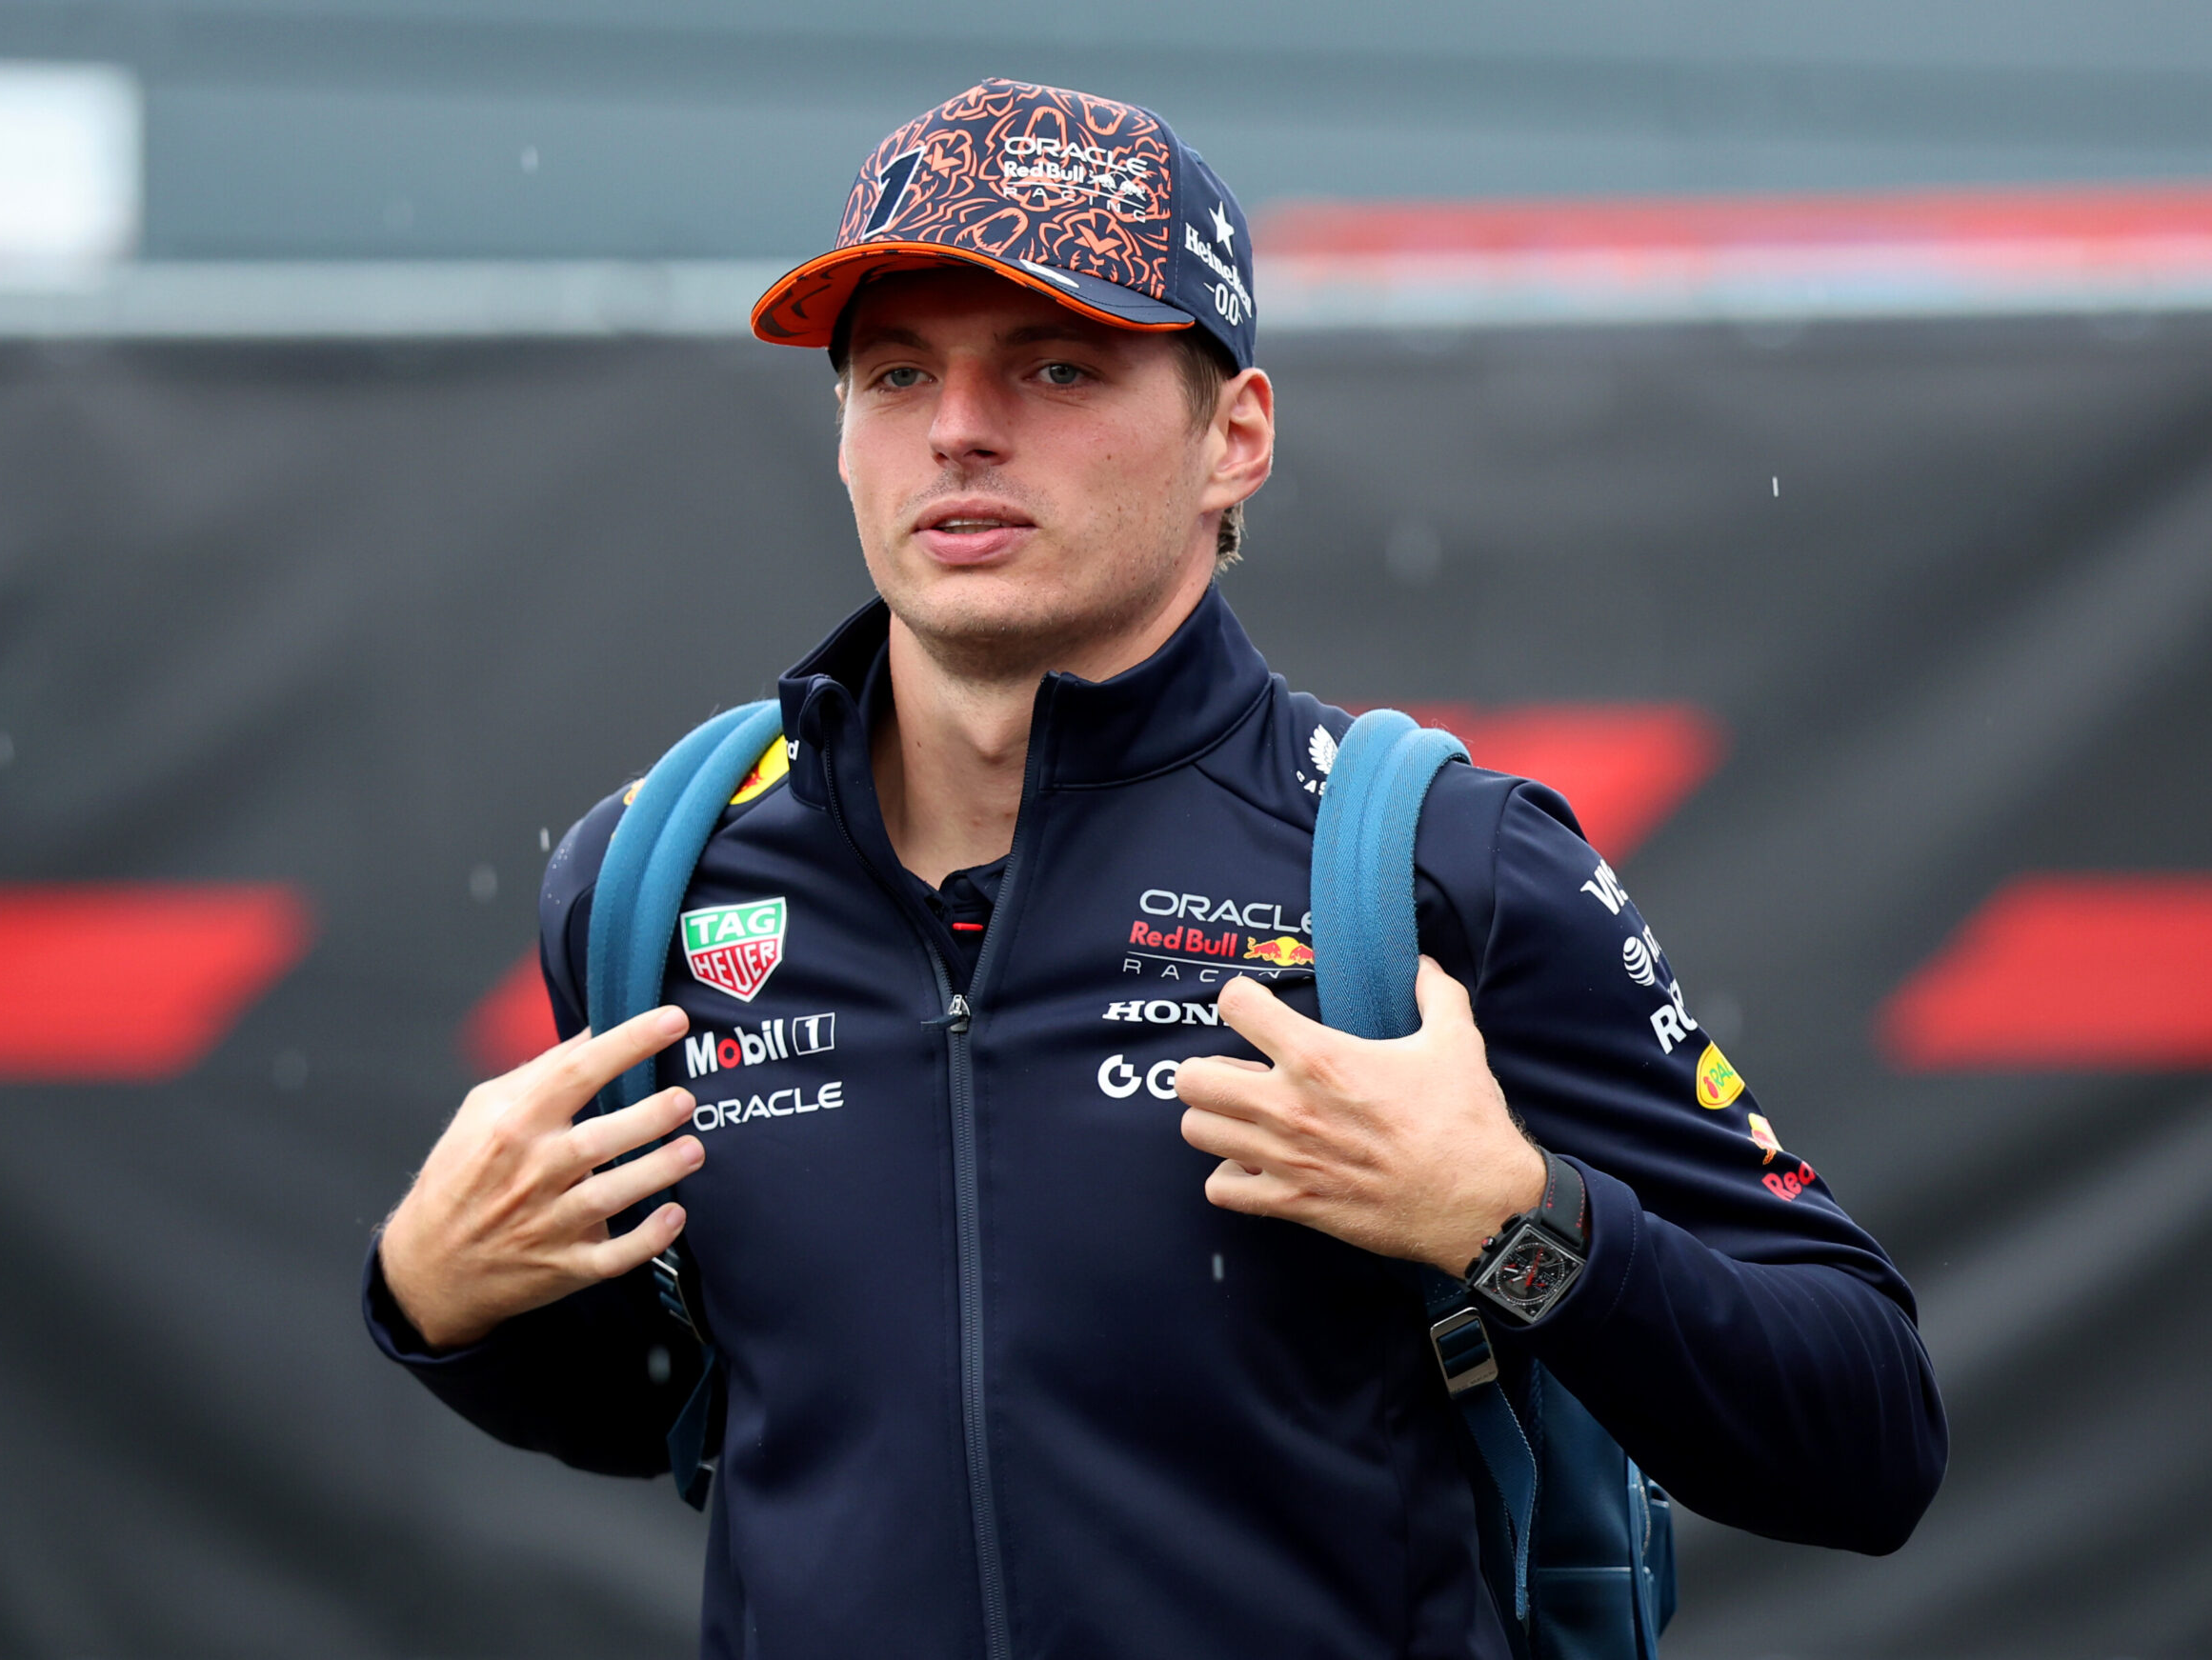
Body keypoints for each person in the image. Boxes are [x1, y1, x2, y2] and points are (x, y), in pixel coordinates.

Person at [366, 79, 1947, 1660]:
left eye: (1059, 365)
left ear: (1233, 438)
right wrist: (439, 1301)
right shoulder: (655, 877)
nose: (961, 428)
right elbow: (707, 1415)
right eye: (897, 370)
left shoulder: (1433, 865)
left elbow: (1868, 1437)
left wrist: (1512, 1220)